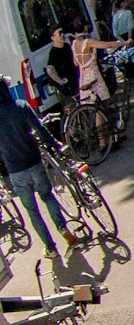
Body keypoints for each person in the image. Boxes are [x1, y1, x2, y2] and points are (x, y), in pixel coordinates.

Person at [0, 87, 76, 255]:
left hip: (15, 170)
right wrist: (53, 145)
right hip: (34, 162)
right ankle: (62, 227)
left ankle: (50, 248)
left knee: (32, 210)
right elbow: (40, 130)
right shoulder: (20, 106)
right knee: (48, 196)